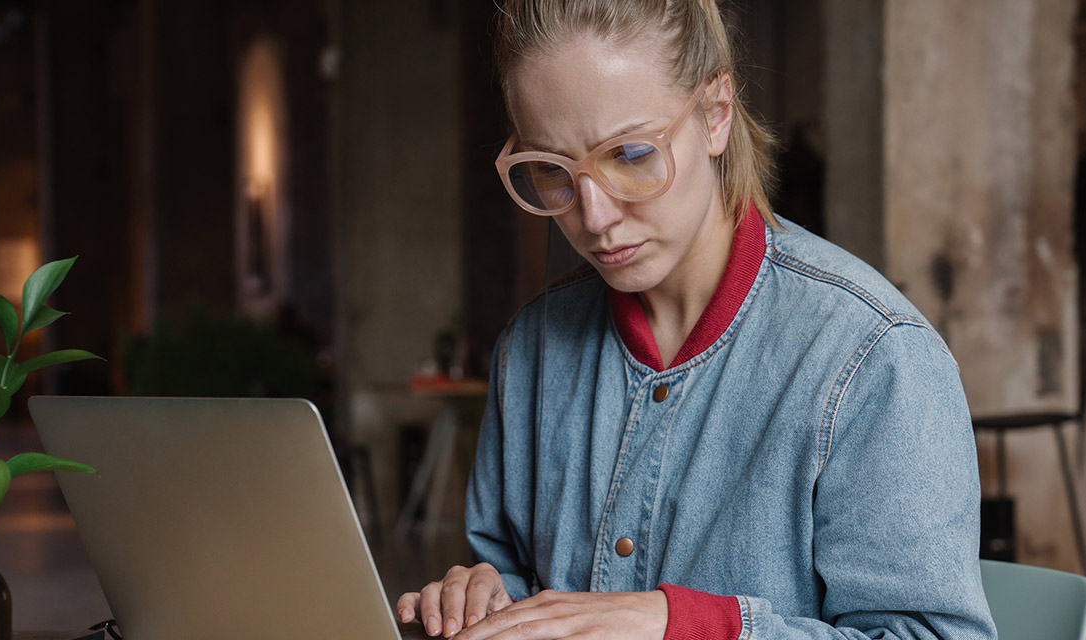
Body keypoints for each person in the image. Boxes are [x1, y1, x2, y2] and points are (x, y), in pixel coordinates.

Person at [397, 1, 996, 638]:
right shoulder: (533, 349)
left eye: (628, 154)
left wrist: (682, 624)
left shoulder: (874, 358)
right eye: (551, 170)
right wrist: (490, 593)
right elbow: (518, 576)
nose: (593, 217)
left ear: (716, 116)